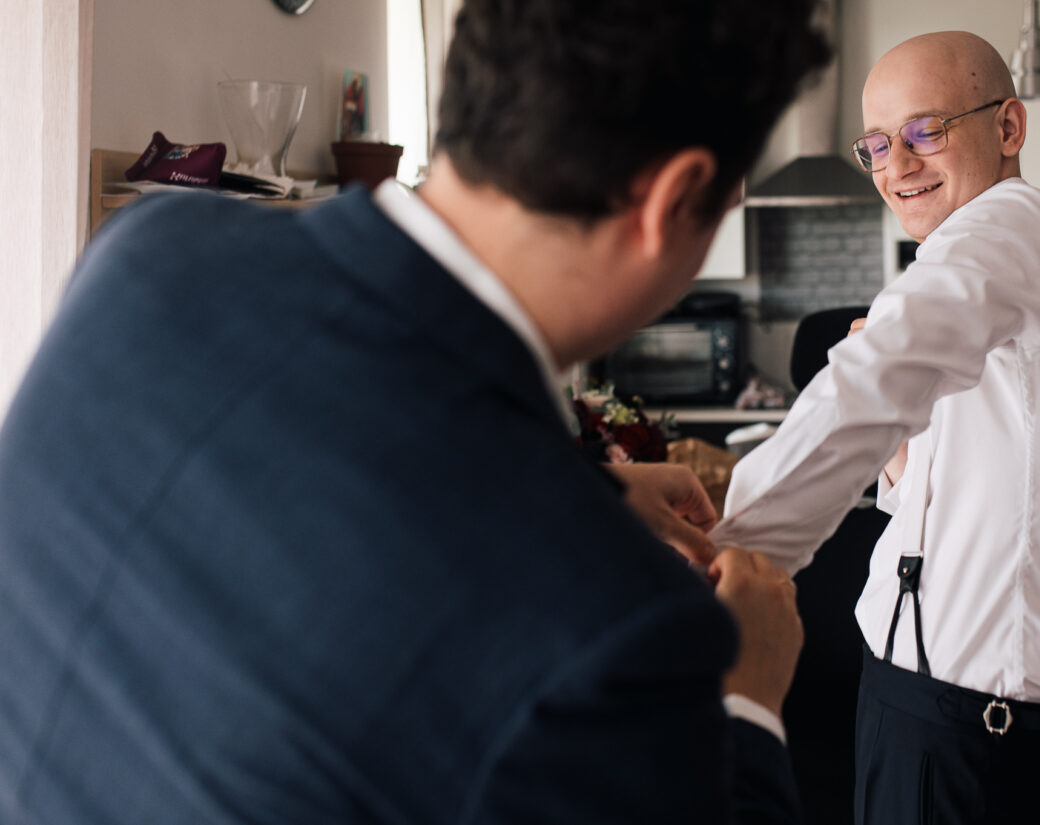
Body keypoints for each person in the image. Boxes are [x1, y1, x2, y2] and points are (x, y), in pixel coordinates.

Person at [0, 2, 829, 823]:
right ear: (674, 197)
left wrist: (588, 489)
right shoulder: (613, 625)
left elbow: (318, 477)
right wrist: (747, 699)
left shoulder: (155, 251)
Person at [710, 31, 1040, 825]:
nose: (897, 166)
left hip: (976, 742)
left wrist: (731, 553)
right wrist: (900, 449)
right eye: (877, 145)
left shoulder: (1016, 228)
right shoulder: (992, 257)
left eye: (926, 130)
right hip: (928, 709)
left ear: (1008, 127)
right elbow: (944, 493)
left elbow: (871, 379)